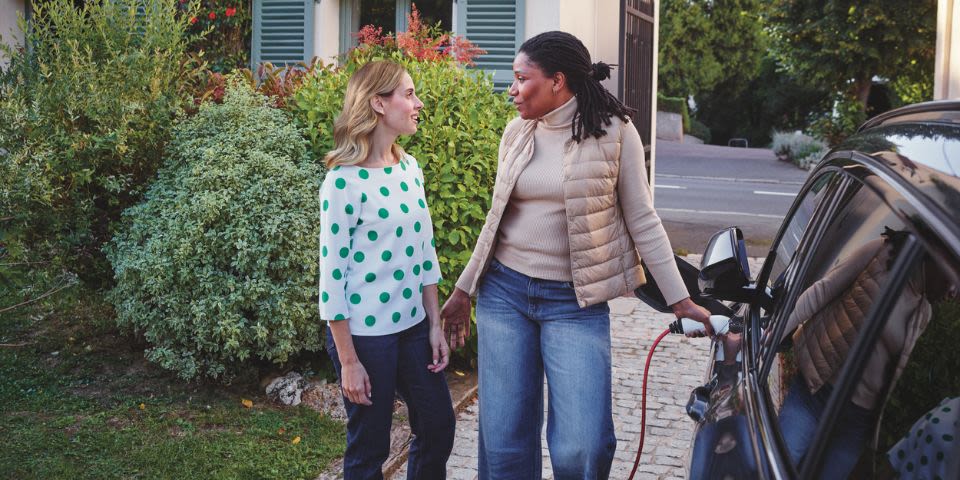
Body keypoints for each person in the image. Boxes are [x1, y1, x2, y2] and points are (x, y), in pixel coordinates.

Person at [440, 31, 712, 479]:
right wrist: (465, 288)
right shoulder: (517, 132)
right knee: (505, 444)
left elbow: (643, 219)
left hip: (575, 303)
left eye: (521, 78)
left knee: (582, 447)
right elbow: (495, 219)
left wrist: (680, 299)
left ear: (557, 81)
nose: (511, 88)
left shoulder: (614, 133)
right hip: (504, 295)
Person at [319, 60, 455, 479]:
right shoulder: (343, 182)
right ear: (378, 103)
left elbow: (424, 254)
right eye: (408, 94)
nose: (418, 103)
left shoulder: (409, 169)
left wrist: (434, 324)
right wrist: (348, 361)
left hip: (413, 327)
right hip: (364, 336)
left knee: (438, 426)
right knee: (370, 447)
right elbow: (331, 281)